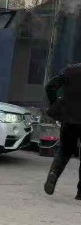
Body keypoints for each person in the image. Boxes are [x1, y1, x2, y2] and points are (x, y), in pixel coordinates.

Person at [44, 63, 81, 200]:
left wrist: (55, 105)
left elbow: (50, 86)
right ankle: (80, 193)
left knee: (65, 150)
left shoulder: (70, 70)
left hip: (69, 119)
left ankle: (53, 174)